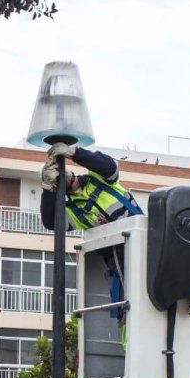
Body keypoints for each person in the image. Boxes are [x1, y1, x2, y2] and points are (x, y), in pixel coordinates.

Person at [40, 144, 143, 344]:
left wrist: (74, 153)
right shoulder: (73, 210)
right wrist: (48, 190)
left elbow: (109, 166)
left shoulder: (100, 180)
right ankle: (130, 350)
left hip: (143, 244)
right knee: (125, 303)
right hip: (117, 259)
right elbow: (51, 222)